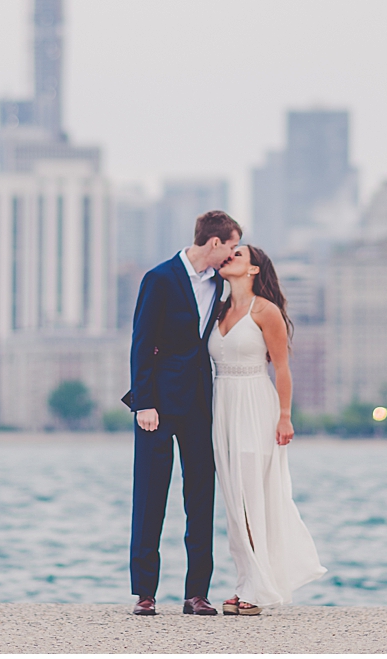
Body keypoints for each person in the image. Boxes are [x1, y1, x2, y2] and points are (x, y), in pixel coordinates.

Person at [127, 210, 242, 616]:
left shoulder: (220, 286)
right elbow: (141, 342)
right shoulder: (159, 278)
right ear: (214, 243)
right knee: (150, 497)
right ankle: (144, 593)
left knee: (200, 497)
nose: (233, 253)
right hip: (156, 406)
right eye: (230, 246)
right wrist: (144, 402)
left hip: (199, 404)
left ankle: (197, 594)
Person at [207, 243, 325, 614]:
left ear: (255, 269)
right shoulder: (220, 309)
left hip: (255, 405)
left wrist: (285, 415)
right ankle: (246, 581)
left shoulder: (266, 310)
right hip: (222, 405)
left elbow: (282, 368)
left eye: (237, 255)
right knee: (233, 500)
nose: (229, 258)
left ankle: (258, 590)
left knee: (252, 496)